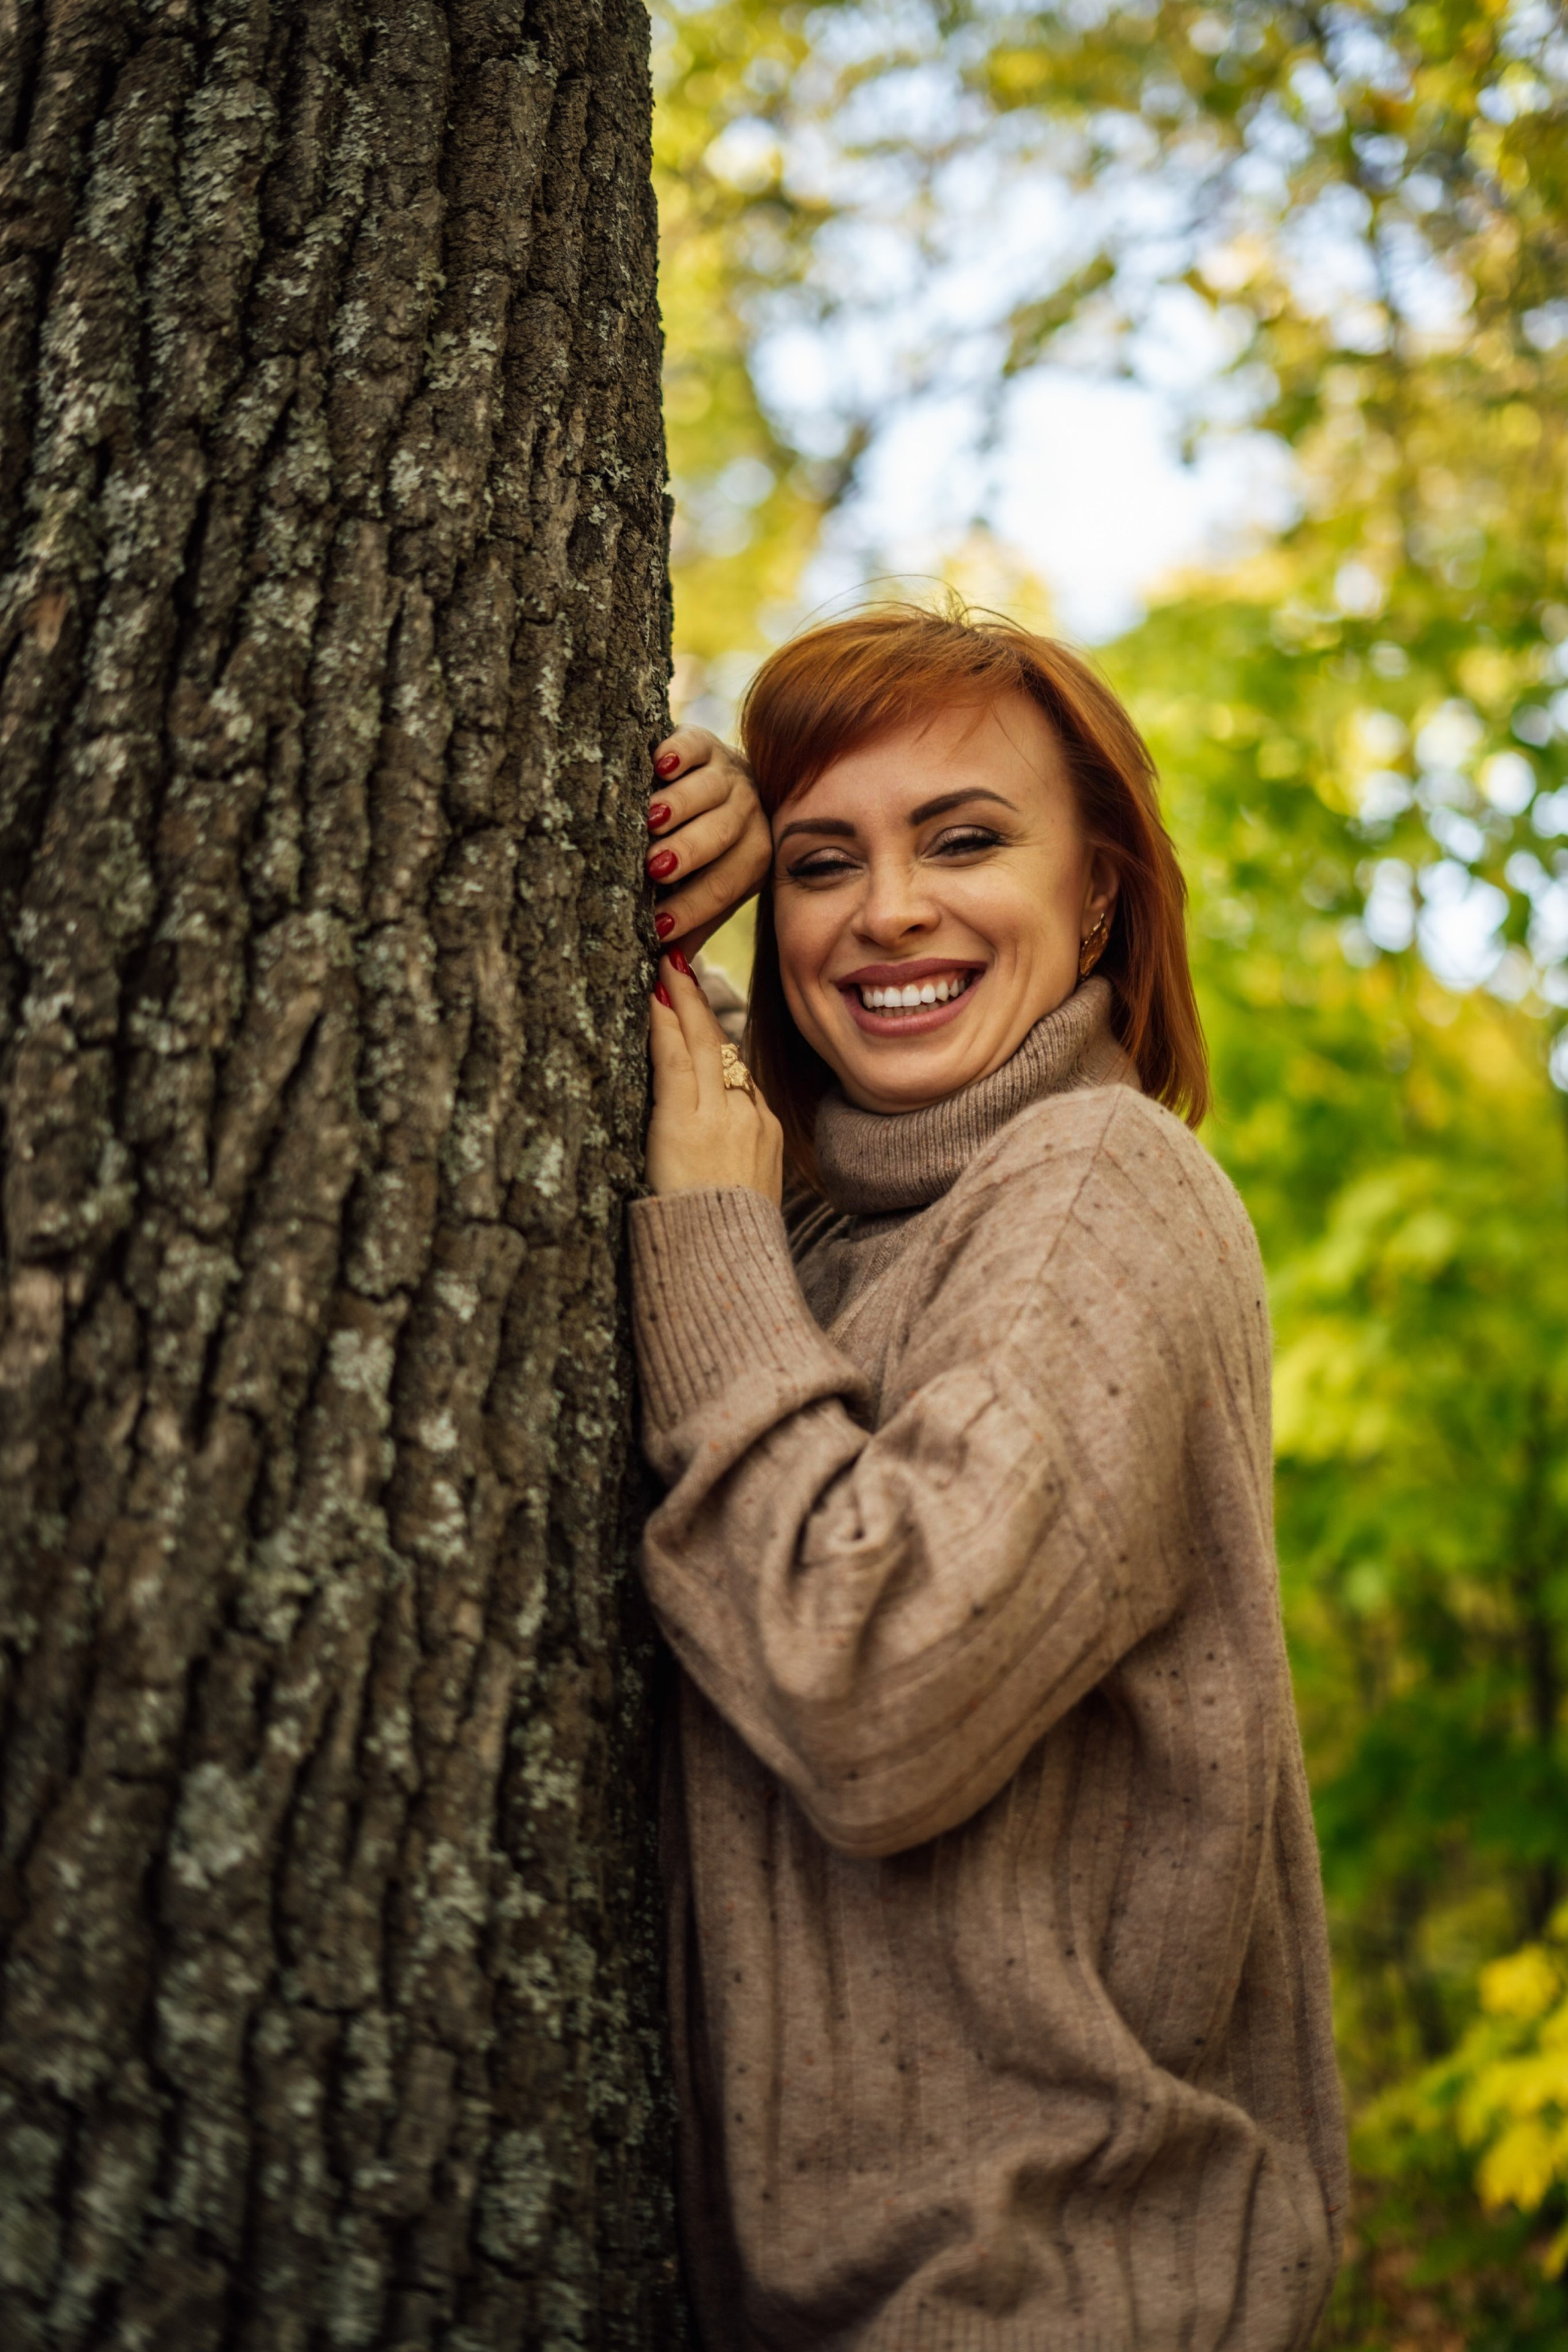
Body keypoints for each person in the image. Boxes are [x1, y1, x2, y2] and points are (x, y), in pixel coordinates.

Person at [634, 605, 1346, 2352]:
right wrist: (672, 840)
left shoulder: (1099, 1181)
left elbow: (878, 1694)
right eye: (826, 862)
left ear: (1097, 893)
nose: (889, 910)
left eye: (965, 840)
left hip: (1055, 2301)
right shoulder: (823, 1233)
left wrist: (712, 1235)